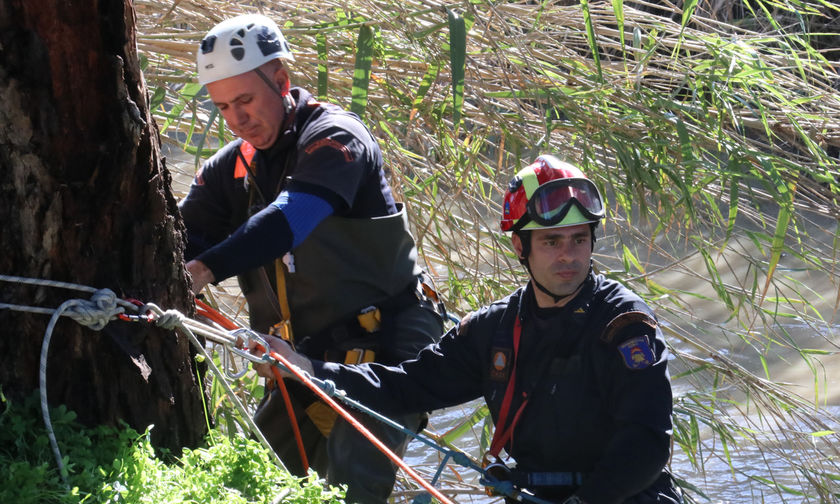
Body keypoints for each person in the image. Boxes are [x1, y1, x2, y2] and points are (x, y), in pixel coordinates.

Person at [257, 155, 683, 504]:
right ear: (520, 246)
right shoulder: (495, 329)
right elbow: (406, 386)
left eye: (579, 239)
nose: (568, 256)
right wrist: (305, 367)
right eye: (551, 242)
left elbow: (646, 443)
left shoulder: (624, 325)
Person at [179, 14, 445, 504]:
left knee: (352, 480)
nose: (237, 119)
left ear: (280, 81)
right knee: (250, 482)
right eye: (223, 107)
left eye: (245, 101)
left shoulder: (336, 137)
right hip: (304, 353)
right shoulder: (231, 167)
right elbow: (179, 237)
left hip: (390, 337)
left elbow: (291, 219)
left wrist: (203, 270)